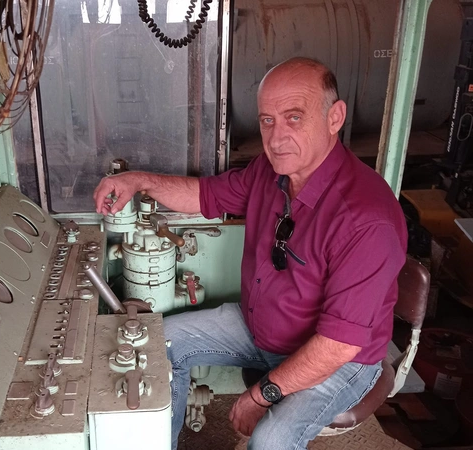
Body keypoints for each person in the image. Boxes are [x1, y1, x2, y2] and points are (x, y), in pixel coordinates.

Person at [93, 57, 407, 449]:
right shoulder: (270, 171)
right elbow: (204, 195)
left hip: (339, 360)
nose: (276, 138)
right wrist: (137, 181)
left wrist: (260, 395)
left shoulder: (367, 219)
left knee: (270, 439)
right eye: (267, 121)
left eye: (294, 117)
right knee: (158, 345)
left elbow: (337, 345)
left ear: (335, 117)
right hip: (261, 329)